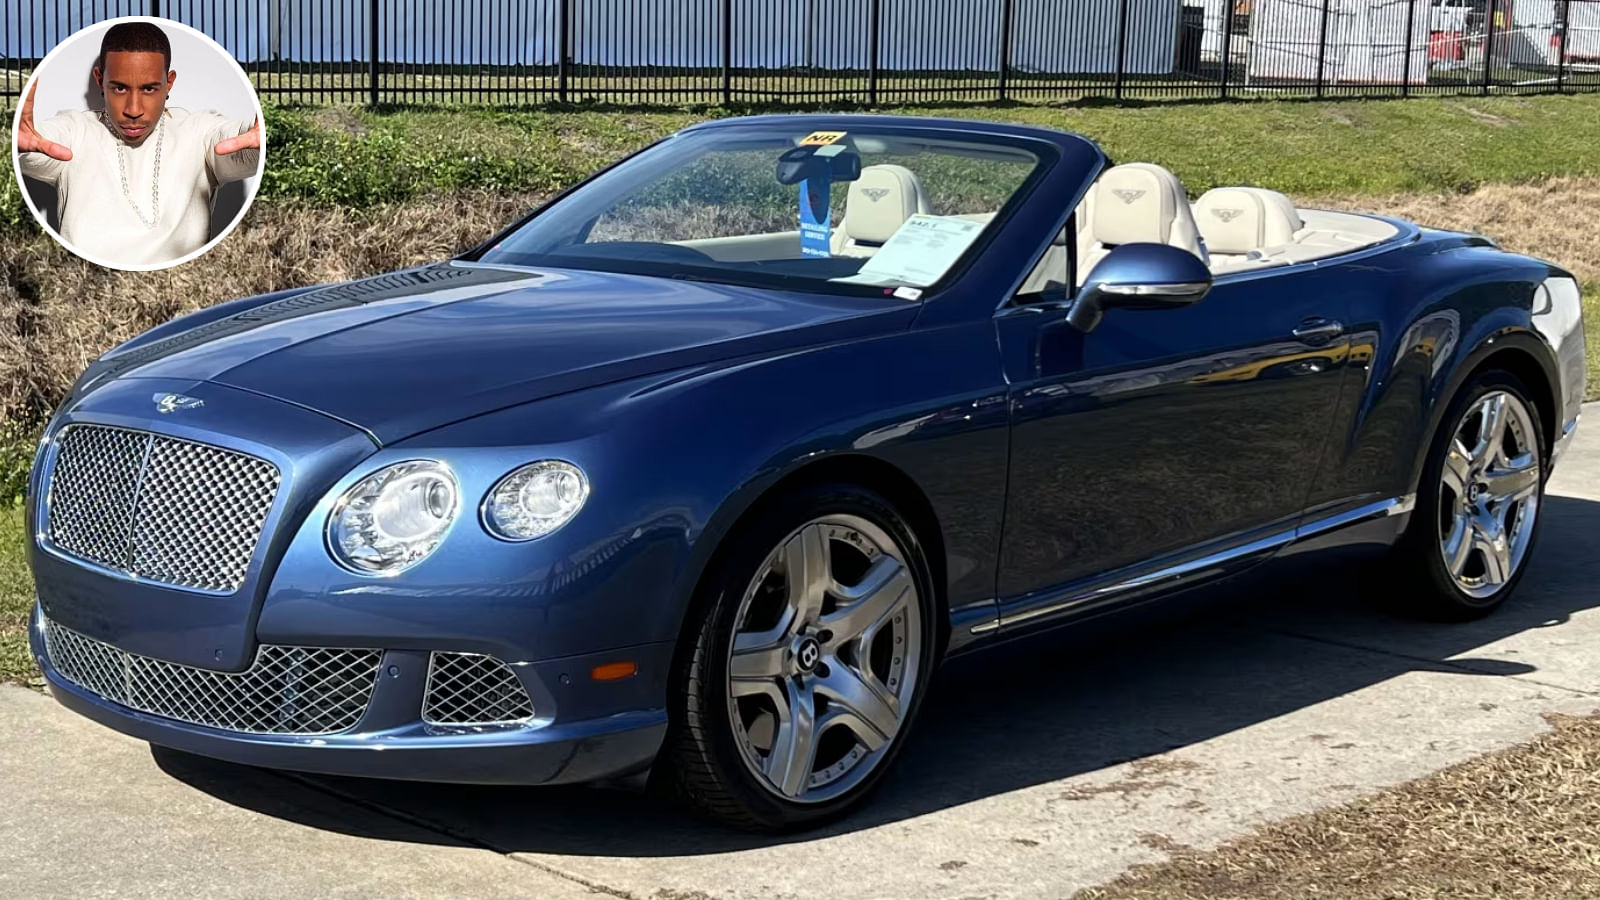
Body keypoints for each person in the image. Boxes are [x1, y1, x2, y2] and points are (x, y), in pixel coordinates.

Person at [14, 21, 261, 267]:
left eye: (149, 89)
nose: (134, 110)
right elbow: (38, 147)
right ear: (100, 81)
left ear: (169, 83)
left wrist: (259, 140)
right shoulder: (75, 130)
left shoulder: (198, 132)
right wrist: (14, 143)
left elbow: (240, 146)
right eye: (120, 88)